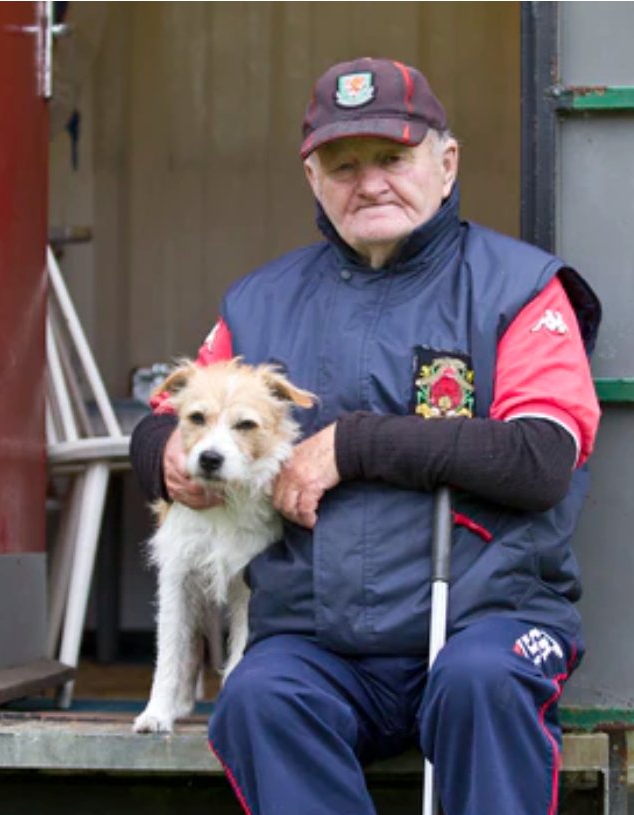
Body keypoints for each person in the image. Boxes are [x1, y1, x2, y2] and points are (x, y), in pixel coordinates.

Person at [131, 57, 602, 815]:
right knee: (258, 696)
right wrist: (162, 457)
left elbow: (540, 457)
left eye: (392, 157)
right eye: (342, 164)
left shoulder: (521, 289)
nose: (369, 181)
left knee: (482, 682)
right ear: (313, 179)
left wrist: (353, 444)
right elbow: (165, 416)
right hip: (319, 638)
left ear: (445, 165)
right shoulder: (259, 302)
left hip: (487, 623)